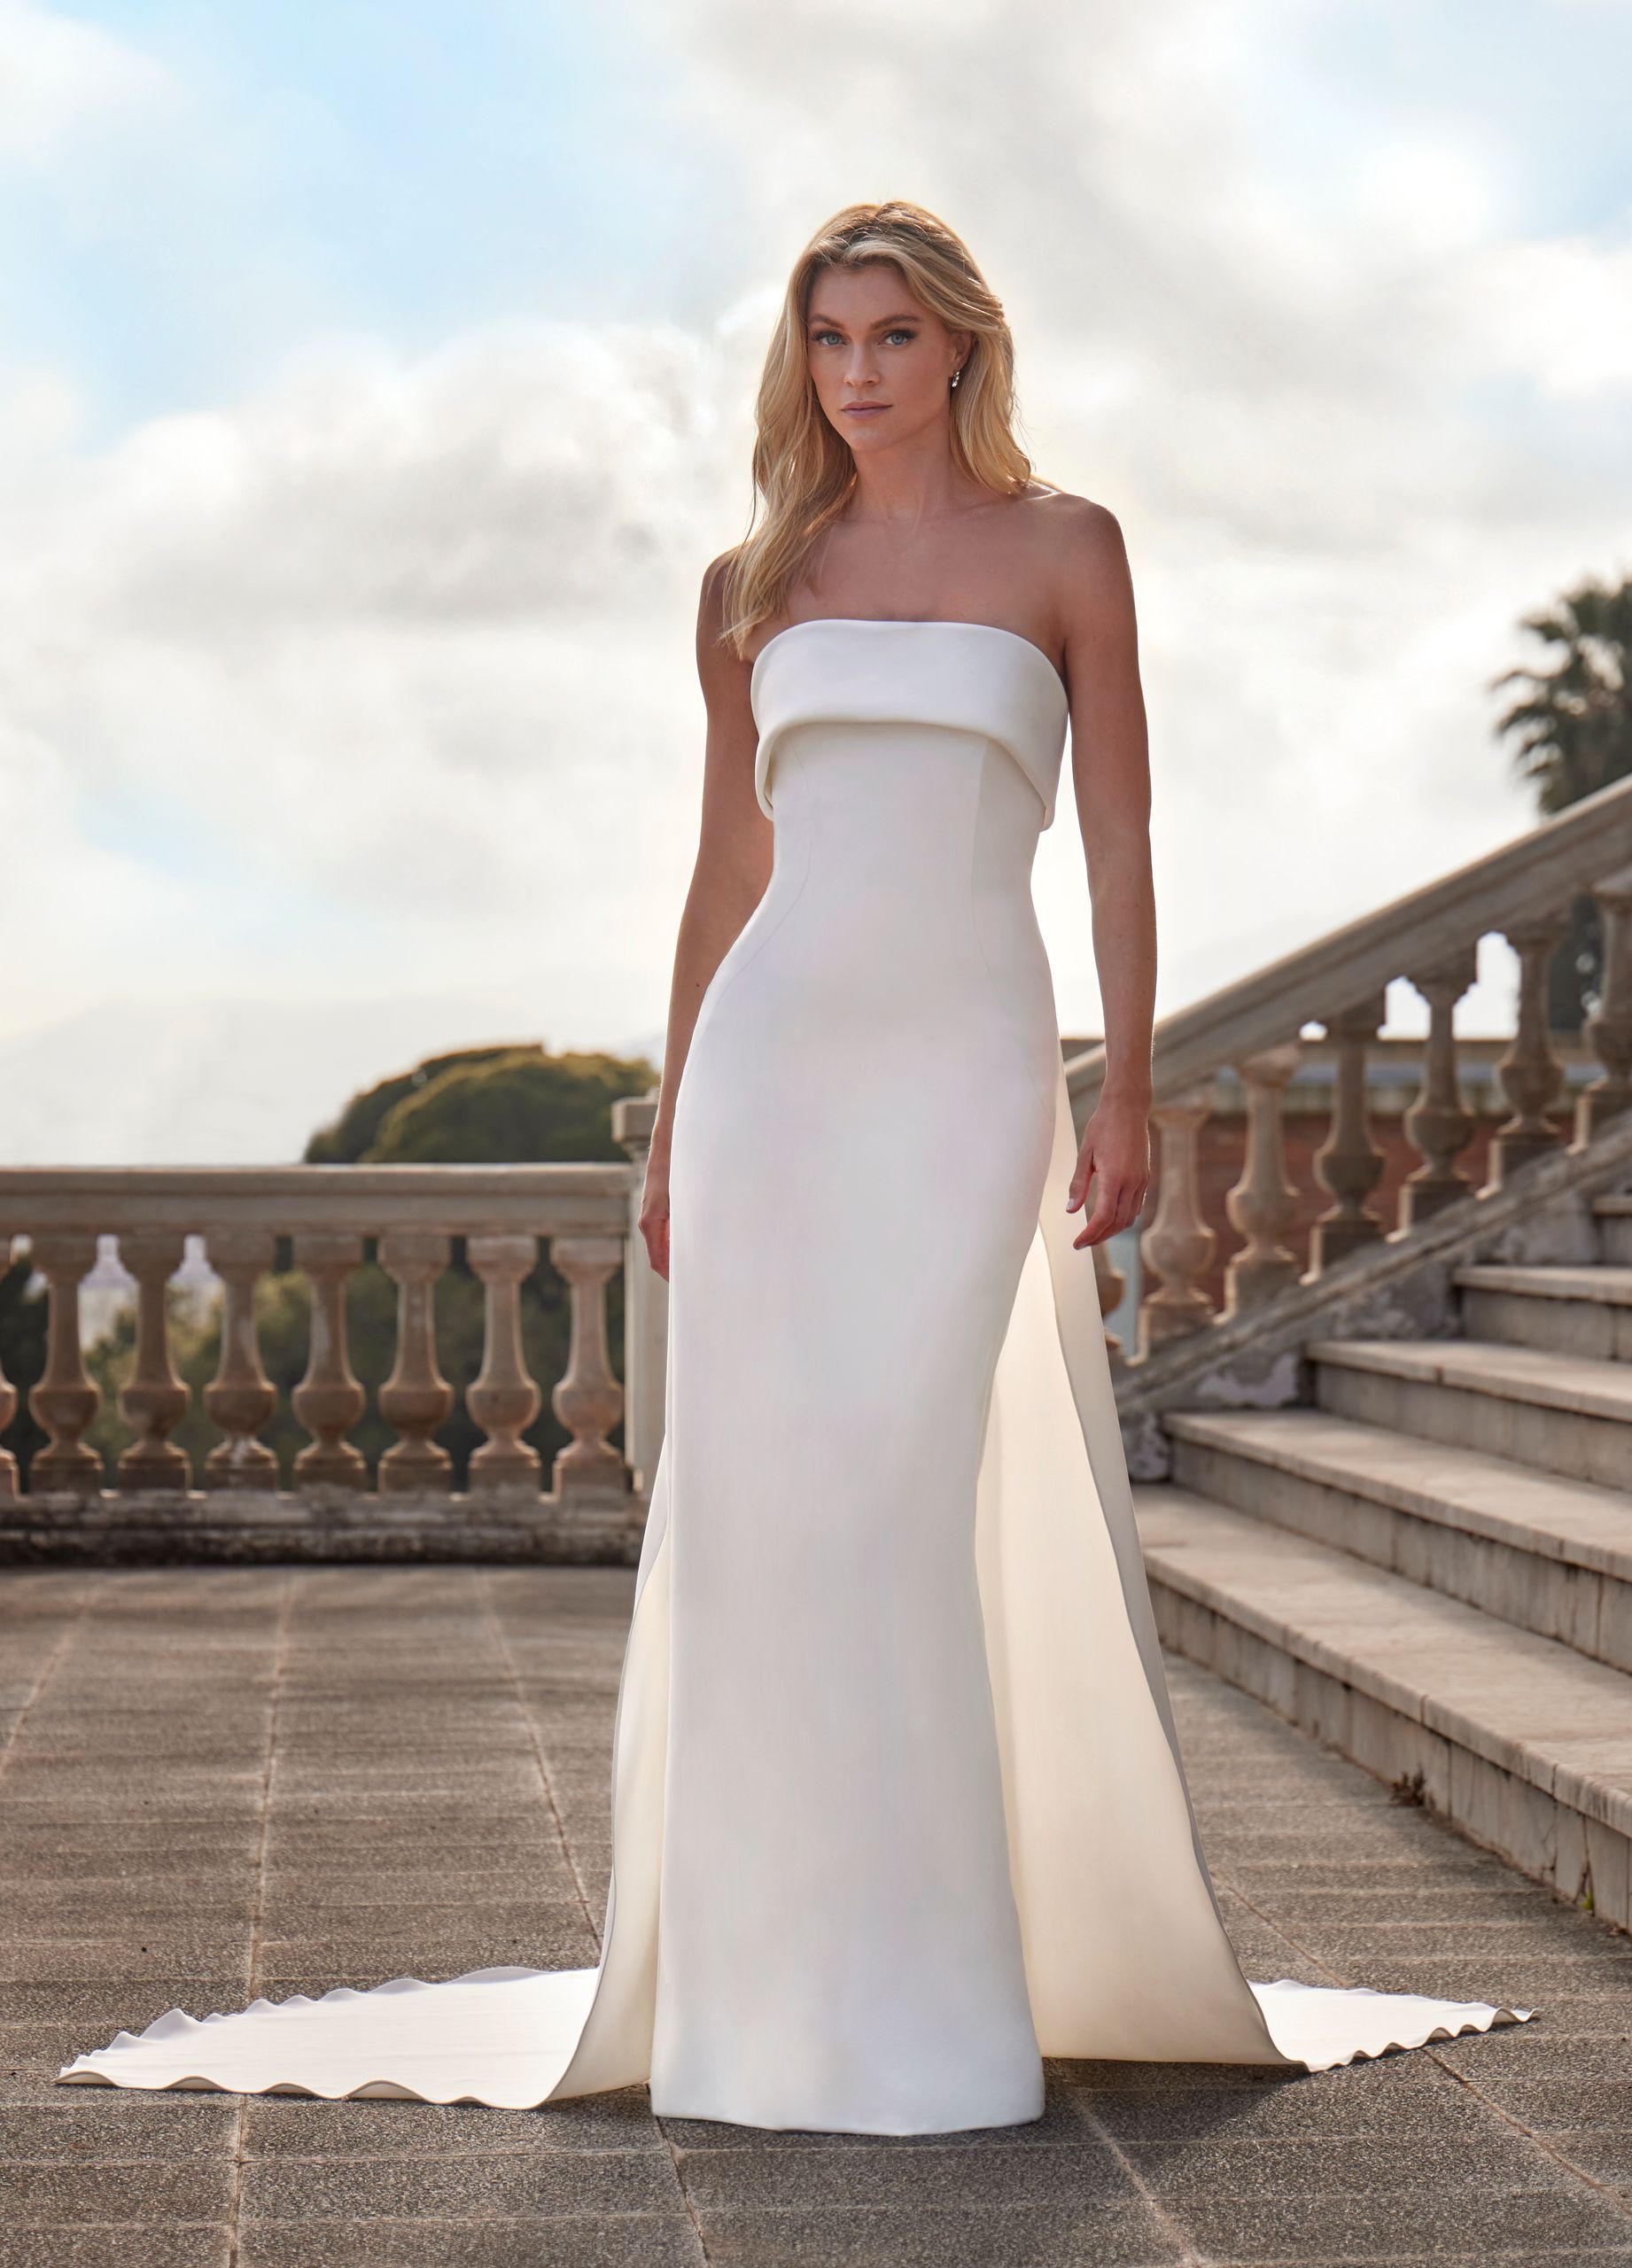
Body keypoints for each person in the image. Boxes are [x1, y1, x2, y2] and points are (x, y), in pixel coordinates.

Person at [58, 198, 1531, 2130]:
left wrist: (1126, 1087)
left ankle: (924, 1998)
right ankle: (770, 1999)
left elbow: (1117, 841)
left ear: (962, 346)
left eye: (892, 336)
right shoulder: (750, 581)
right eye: (829, 338)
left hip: (966, 1070)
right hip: (773, 1072)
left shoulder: (1069, 550)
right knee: (773, 1520)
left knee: (889, 1498)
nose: (857, 373)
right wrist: (679, 1111)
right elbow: (725, 872)